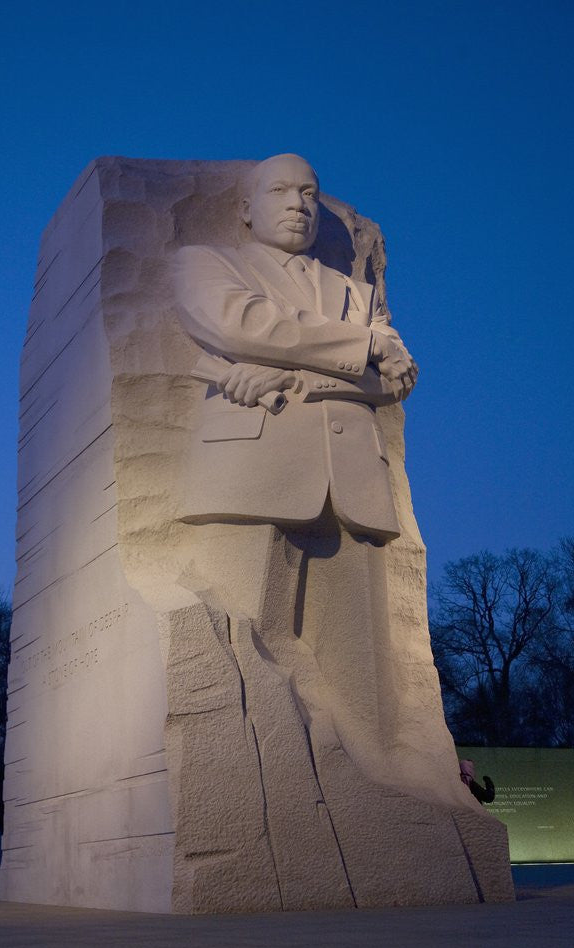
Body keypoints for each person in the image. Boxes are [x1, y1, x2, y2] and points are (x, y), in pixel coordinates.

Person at [169, 153, 448, 796]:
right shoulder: (206, 263)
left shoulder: (357, 293)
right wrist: (361, 348)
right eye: (280, 190)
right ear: (246, 209)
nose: (298, 203)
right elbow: (242, 323)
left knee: (362, 673)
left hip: (353, 484)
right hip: (250, 473)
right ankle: (257, 791)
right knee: (244, 646)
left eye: (309, 193)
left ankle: (375, 788)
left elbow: (396, 380)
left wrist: (290, 373)